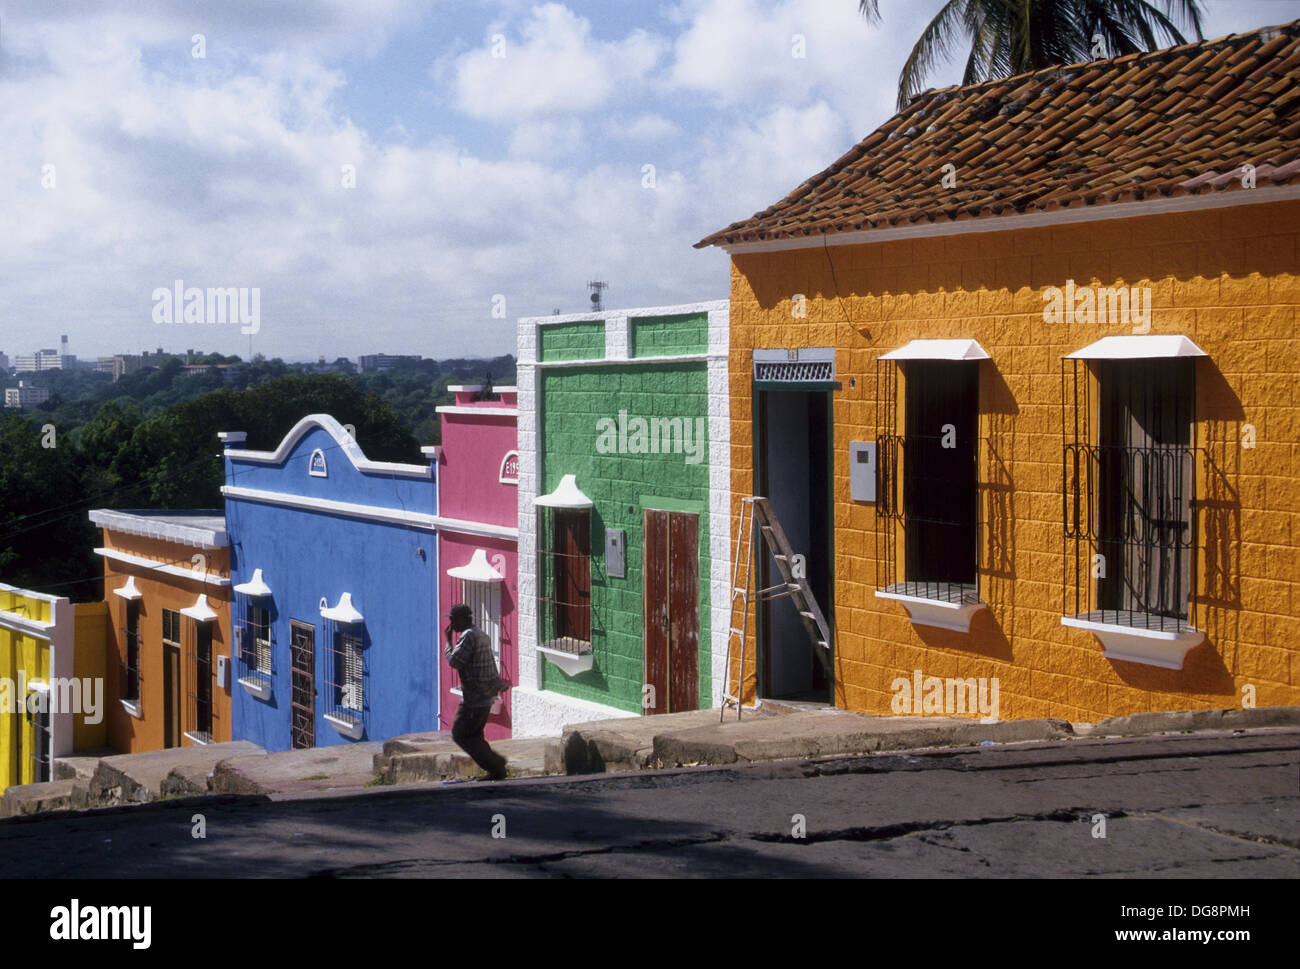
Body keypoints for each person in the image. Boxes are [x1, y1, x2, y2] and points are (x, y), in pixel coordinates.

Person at [444, 603, 508, 781]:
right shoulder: (481, 634)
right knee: (474, 735)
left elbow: (454, 661)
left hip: (474, 698)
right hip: (485, 696)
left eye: (452, 619)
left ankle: (496, 764)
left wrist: (448, 641)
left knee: (459, 734)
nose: (451, 623)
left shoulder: (468, 637)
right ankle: (496, 769)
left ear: (462, 620)